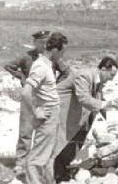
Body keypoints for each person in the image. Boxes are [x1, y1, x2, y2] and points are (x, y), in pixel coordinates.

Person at [4, 30, 70, 175]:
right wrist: (21, 77)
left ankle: (36, 165)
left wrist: (55, 86)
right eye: (40, 42)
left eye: (45, 42)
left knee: (44, 134)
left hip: (45, 100)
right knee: (26, 131)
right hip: (30, 98)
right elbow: (8, 66)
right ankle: (21, 163)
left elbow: (66, 72)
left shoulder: (53, 59)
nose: (43, 44)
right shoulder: (27, 57)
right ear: (34, 43)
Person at [53, 56, 118, 181]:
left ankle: (66, 173)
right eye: (111, 75)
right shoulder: (85, 75)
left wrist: (113, 119)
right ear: (104, 69)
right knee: (63, 144)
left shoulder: (99, 81)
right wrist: (105, 105)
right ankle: (57, 176)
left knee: (76, 143)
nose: (111, 79)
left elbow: (98, 101)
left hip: (77, 115)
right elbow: (83, 98)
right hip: (62, 112)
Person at [21, 32, 67, 184]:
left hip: (53, 111)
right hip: (47, 112)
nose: (62, 55)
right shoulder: (41, 66)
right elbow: (26, 92)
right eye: (62, 52)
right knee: (38, 155)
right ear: (54, 50)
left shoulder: (46, 64)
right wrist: (35, 113)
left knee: (48, 153)